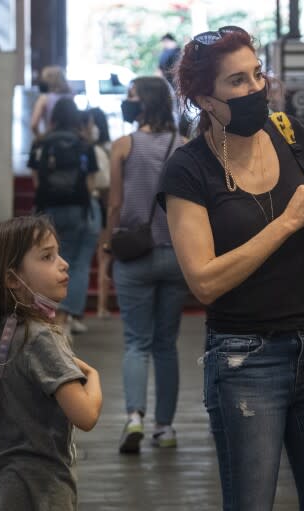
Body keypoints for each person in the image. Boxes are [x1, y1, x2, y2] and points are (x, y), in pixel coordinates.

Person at [159, 26, 304, 510]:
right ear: (205, 98)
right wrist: (287, 221)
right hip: (246, 359)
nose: (255, 89)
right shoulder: (188, 170)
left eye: (258, 75)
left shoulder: (292, 138)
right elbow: (204, 281)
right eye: (237, 82)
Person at [0, 216, 103, 510]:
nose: (63, 263)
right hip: (41, 490)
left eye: (58, 253)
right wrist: (93, 375)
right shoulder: (39, 337)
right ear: (11, 278)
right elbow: (85, 415)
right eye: (47, 257)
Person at [107, 76, 187, 454]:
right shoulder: (184, 148)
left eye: (131, 98)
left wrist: (109, 242)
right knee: (165, 345)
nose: (127, 103)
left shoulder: (122, 146)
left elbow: (114, 203)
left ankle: (134, 417)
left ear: (145, 103)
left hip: (134, 254)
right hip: (174, 255)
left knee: (136, 342)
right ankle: (165, 427)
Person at [28, 97, 102, 336]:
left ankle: (48, 315)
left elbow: (36, 180)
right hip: (77, 209)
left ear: (53, 117)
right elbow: (90, 183)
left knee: (45, 261)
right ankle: (66, 316)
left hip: (47, 211)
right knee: (77, 264)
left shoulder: (41, 143)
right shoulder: (83, 144)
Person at [80, 108, 113, 322]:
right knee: (104, 257)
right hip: (103, 206)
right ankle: (102, 306)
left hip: (91, 204)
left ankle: (88, 309)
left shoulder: (90, 150)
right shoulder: (108, 149)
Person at [31, 66, 73, 138]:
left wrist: (40, 138)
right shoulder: (70, 97)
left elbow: (34, 124)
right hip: (71, 139)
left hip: (52, 139)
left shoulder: (44, 99)